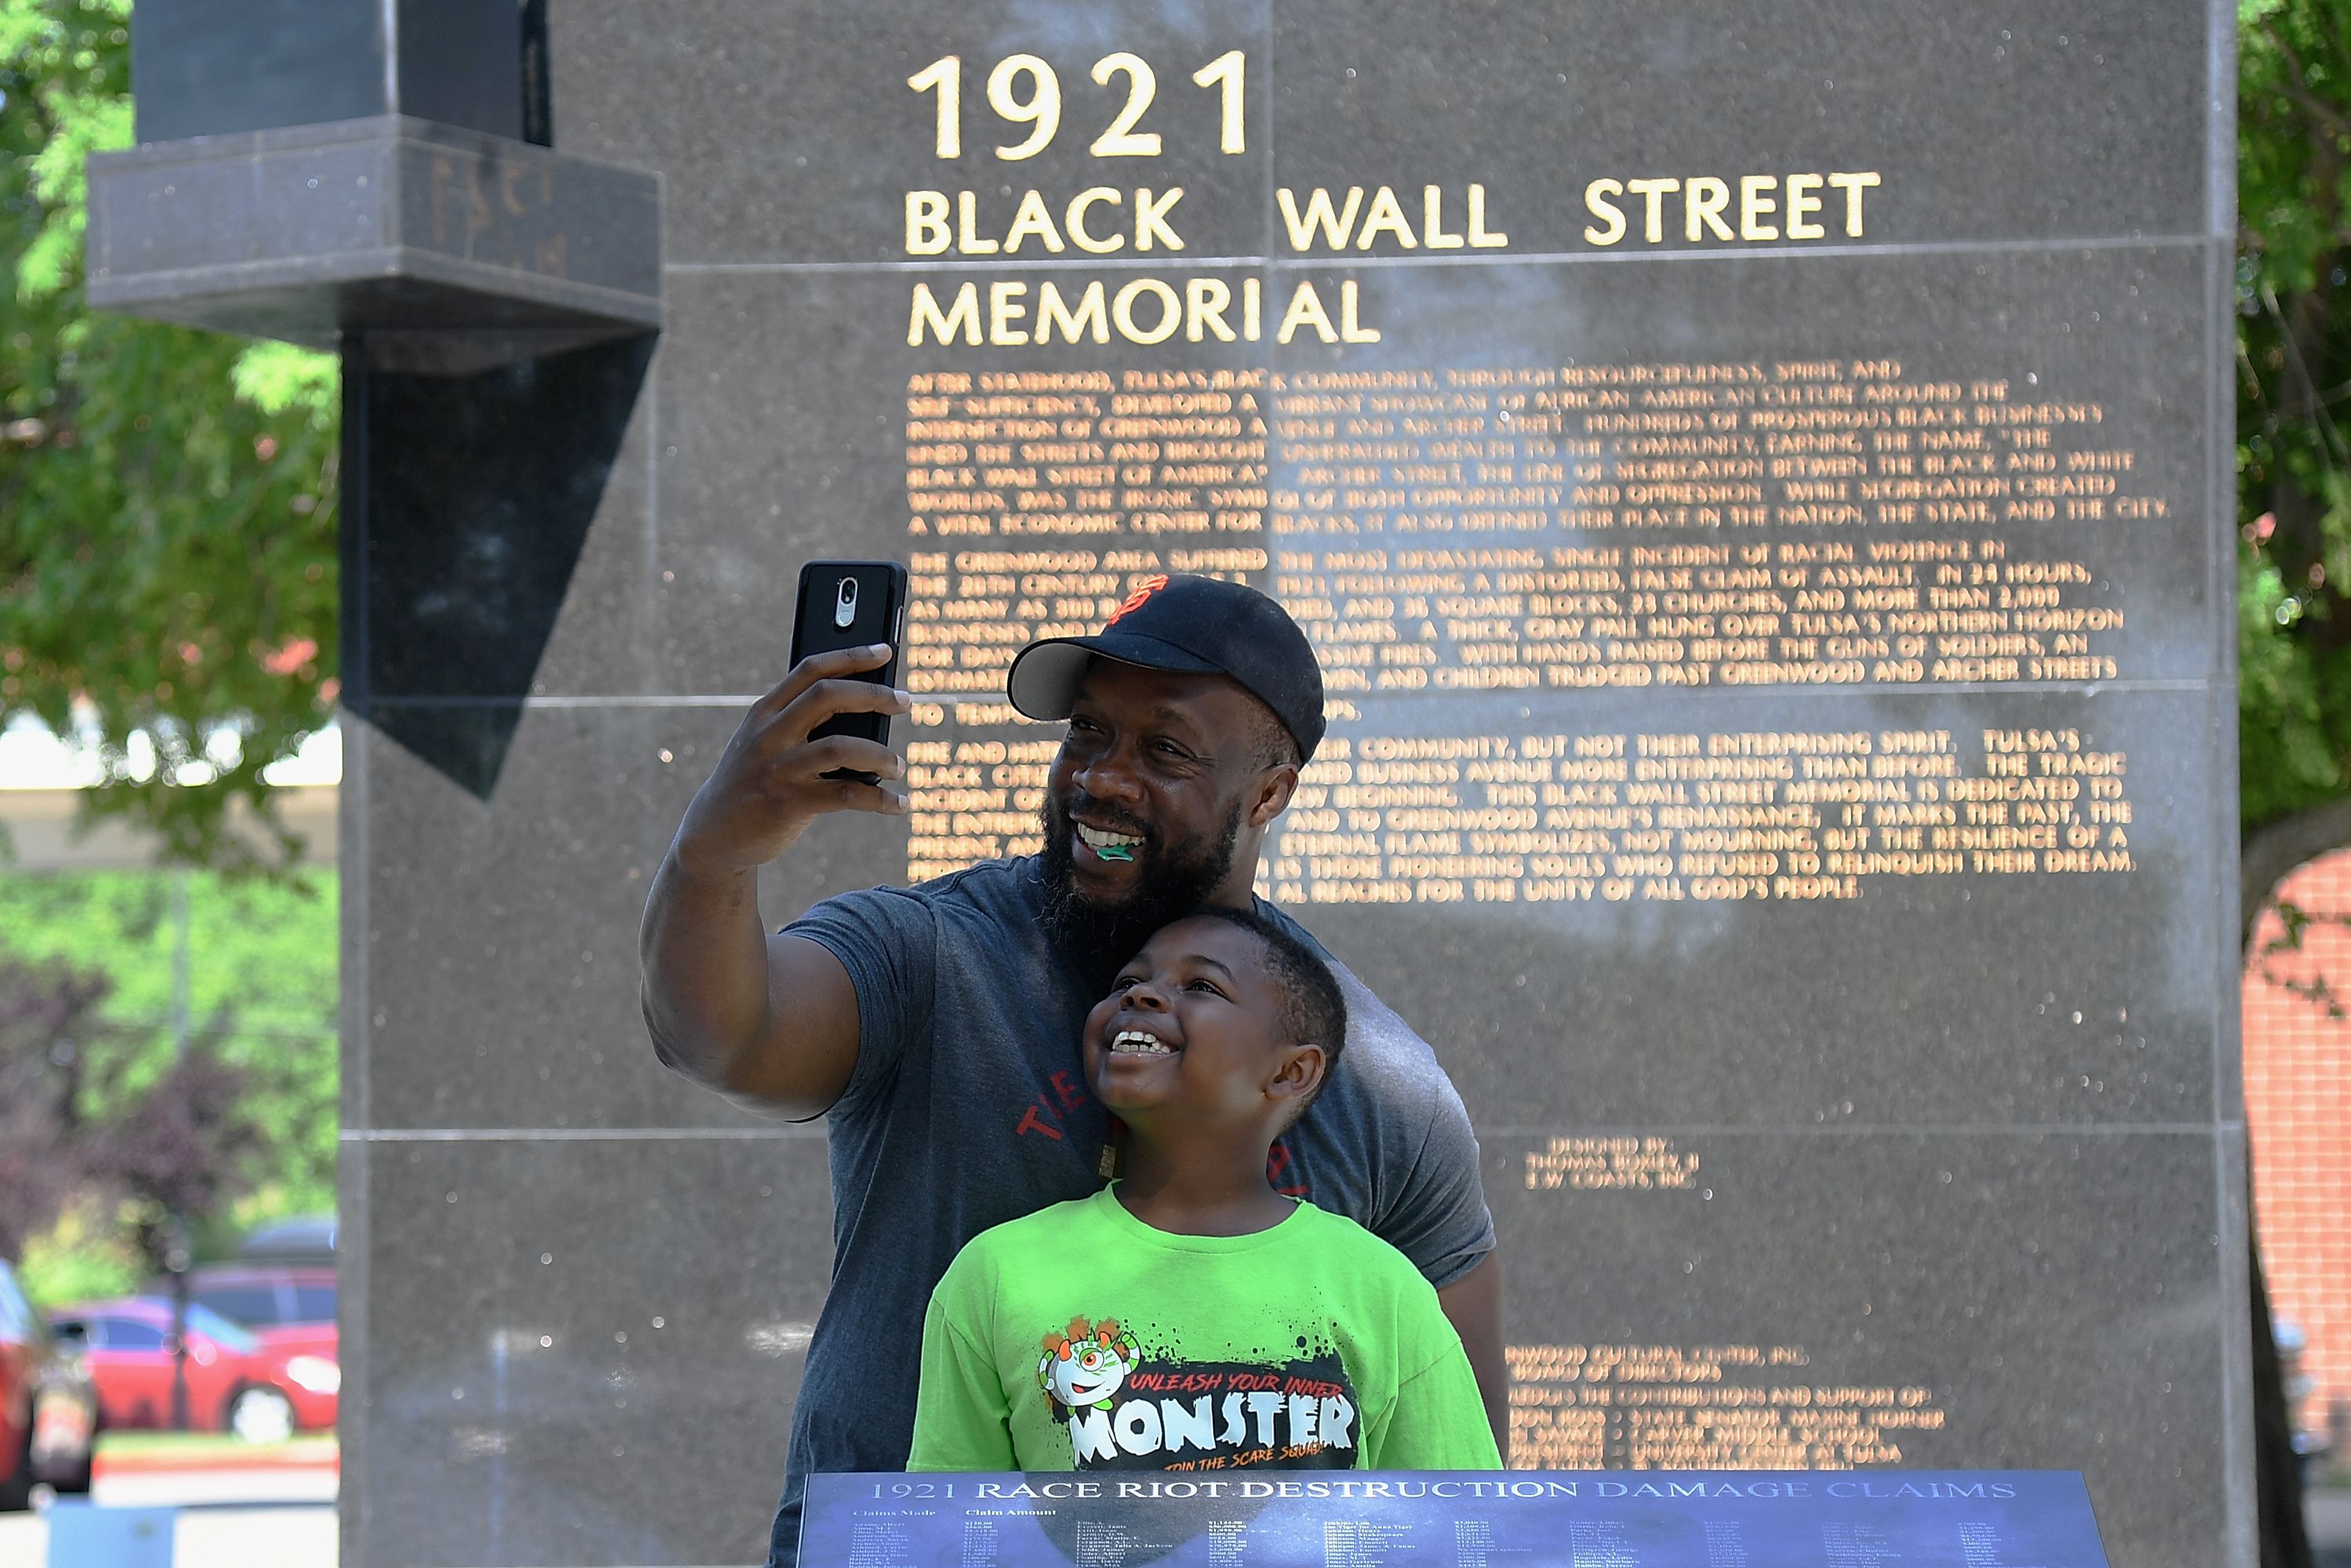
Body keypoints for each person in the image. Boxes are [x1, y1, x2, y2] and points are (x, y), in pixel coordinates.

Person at [639, 574, 1503, 1566]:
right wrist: (714, 854)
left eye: (1165, 748)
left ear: (1269, 791)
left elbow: (1460, 1500)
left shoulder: (1384, 1093)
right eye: (1087, 733)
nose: (1103, 777)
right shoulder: (929, 958)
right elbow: (717, 1037)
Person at [907, 907, 1501, 1474]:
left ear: (1291, 1071)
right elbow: (946, 1537)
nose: (1140, 995)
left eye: (1203, 986)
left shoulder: (1383, 1291)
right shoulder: (996, 1276)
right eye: (1127, 981)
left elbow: (1465, 1529)